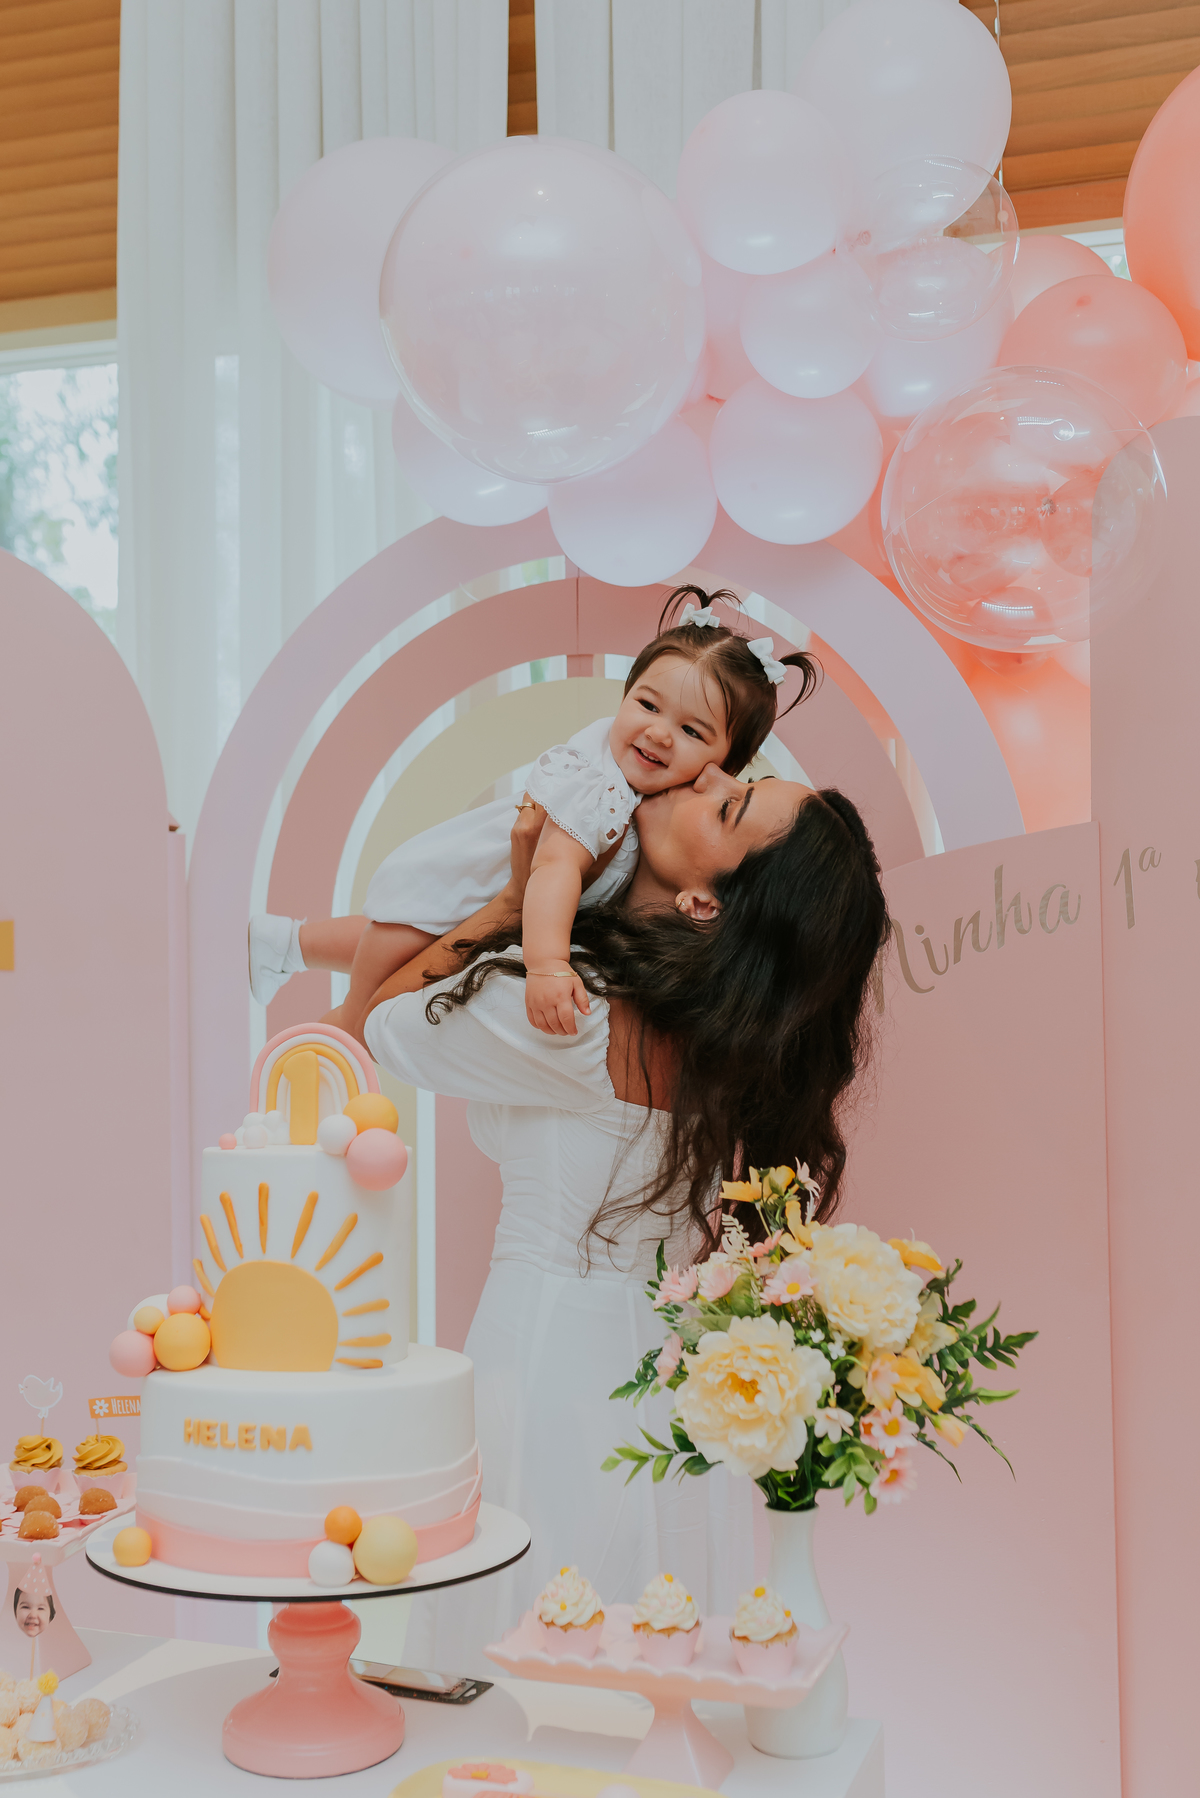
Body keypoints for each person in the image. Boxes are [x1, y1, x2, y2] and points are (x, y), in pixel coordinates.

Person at [361, 761, 889, 1673]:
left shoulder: (571, 1006)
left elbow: (379, 1016)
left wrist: (513, 903)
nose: (703, 773)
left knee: (523, 1652)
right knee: (649, 1658)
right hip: (665, 1371)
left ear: (704, 904)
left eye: (726, 804)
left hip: (546, 1355)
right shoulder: (715, 1027)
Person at [248, 586, 818, 1038]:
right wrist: (547, 967)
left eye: (692, 731)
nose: (657, 733)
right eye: (646, 704)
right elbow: (553, 871)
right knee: (377, 984)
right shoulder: (599, 788)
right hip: (461, 882)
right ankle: (339, 1032)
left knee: (391, 936)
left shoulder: (648, 800)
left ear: (724, 765)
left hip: (477, 900)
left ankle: (285, 946)